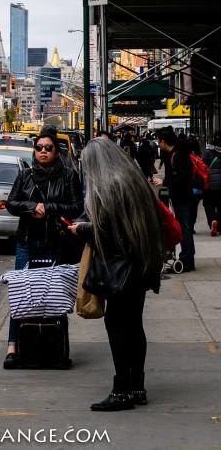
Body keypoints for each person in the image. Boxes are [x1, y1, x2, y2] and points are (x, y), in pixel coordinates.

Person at [68, 137, 164, 411]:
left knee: (118, 326)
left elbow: (109, 233)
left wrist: (82, 229)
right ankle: (137, 387)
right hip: (142, 264)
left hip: (122, 269)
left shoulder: (109, 187)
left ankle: (122, 390)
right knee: (135, 325)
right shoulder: (133, 180)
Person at [3, 128, 83, 370]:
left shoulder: (68, 175)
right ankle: (13, 348)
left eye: (48, 148)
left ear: (56, 151)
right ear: (34, 151)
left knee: (53, 295)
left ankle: (53, 346)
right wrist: (31, 207)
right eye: (39, 148)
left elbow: (76, 206)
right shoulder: (25, 175)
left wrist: (47, 208)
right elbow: (12, 203)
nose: (43, 152)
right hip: (27, 242)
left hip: (55, 243)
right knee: (20, 294)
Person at [153, 126, 195, 271]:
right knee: (185, 227)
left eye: (159, 141)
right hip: (181, 195)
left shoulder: (178, 155)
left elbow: (185, 178)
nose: (158, 144)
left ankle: (186, 260)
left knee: (184, 228)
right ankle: (188, 258)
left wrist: (164, 182)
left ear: (164, 142)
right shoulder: (174, 154)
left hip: (183, 196)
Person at [202, 131, 221, 236]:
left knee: (208, 204)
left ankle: (213, 221)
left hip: (210, 184)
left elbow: (202, 165)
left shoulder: (209, 151)